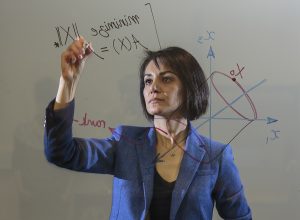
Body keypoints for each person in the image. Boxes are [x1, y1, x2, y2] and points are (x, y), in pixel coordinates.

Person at [44, 36, 252, 220]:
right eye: (148, 81)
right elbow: (62, 153)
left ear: (190, 87)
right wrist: (67, 84)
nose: (153, 87)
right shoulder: (125, 141)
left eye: (166, 79)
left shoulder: (216, 156)